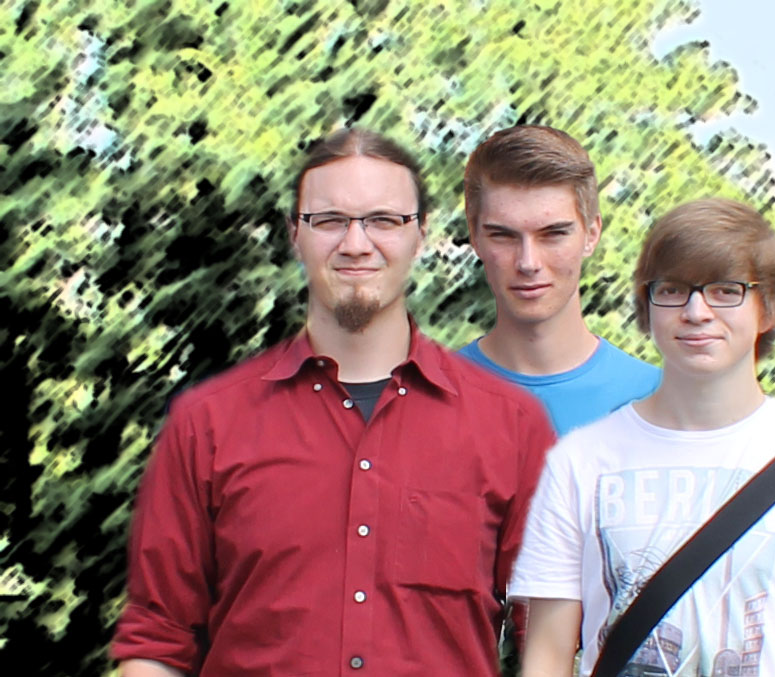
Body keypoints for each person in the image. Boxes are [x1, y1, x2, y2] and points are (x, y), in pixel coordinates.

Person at [112, 128, 555, 676]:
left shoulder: (512, 426)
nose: (356, 244)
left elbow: (548, 631)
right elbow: (159, 638)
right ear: (295, 234)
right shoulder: (206, 424)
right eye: (329, 221)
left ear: (420, 236)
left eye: (383, 220)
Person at [510, 198, 775, 676]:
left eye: (725, 290)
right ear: (647, 307)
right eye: (672, 290)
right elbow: (546, 658)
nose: (696, 311)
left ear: (770, 308)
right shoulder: (579, 461)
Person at [460, 125, 661, 436]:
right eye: (503, 236)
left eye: (553, 234)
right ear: (475, 238)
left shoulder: (665, 405)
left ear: (591, 234)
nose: (528, 262)